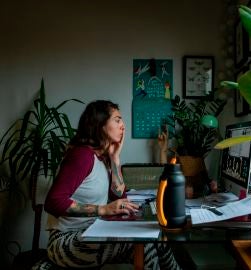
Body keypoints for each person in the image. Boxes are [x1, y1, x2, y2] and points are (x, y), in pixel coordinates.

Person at [40, 100, 182, 269]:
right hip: (65, 242)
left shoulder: (103, 158)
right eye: (117, 119)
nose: (123, 126)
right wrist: (102, 209)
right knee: (145, 245)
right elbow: (53, 201)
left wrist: (115, 159)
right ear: (100, 124)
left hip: (91, 232)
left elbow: (119, 197)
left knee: (159, 239)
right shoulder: (82, 155)